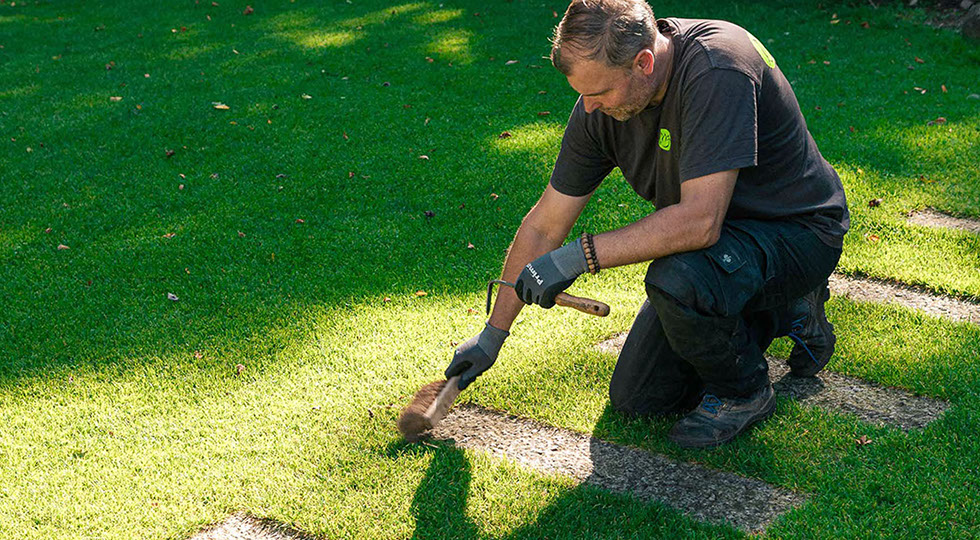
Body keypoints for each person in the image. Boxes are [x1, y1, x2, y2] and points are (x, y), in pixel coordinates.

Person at [445, 0, 849, 448]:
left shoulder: (718, 68)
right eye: (582, 94)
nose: (589, 107)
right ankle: (784, 310)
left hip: (796, 234)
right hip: (720, 253)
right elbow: (544, 225)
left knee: (677, 280)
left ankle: (744, 392)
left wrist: (578, 257)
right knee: (640, 398)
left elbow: (700, 222)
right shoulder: (598, 108)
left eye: (599, 92)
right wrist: (492, 335)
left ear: (643, 63)